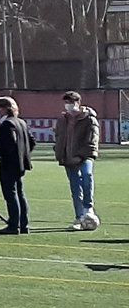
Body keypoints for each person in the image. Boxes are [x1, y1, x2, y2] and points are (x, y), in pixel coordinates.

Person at [55, 90, 100, 226]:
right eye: (66, 103)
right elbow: (59, 138)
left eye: (71, 102)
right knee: (75, 187)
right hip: (68, 157)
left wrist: (81, 155)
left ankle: (88, 208)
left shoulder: (89, 118)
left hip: (85, 156)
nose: (68, 105)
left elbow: (92, 140)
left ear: (78, 103)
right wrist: (60, 154)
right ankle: (79, 217)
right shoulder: (62, 119)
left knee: (87, 175)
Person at [0, 96, 33, 234]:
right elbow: (31, 141)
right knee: (20, 193)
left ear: (3, 109)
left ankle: (13, 224)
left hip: (9, 164)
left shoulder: (7, 124)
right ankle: (23, 224)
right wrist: (24, 155)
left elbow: (9, 144)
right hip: (20, 164)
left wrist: (5, 156)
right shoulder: (21, 122)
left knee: (11, 194)